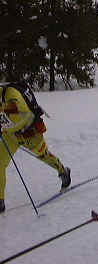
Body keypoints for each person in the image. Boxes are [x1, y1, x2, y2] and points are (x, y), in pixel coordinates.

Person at [0, 82, 71, 213]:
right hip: (11, 135)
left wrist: (3, 115)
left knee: (44, 155)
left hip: (30, 133)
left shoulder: (11, 93)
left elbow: (19, 110)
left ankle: (63, 171)